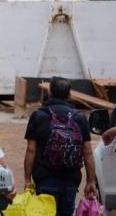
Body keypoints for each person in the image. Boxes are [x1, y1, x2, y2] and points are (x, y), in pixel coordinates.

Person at [24, 77, 96, 216]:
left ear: (50, 92)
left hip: (44, 178)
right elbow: (87, 152)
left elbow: (30, 150)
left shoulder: (39, 116)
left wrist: (27, 180)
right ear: (69, 95)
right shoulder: (79, 117)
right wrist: (91, 180)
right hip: (70, 179)